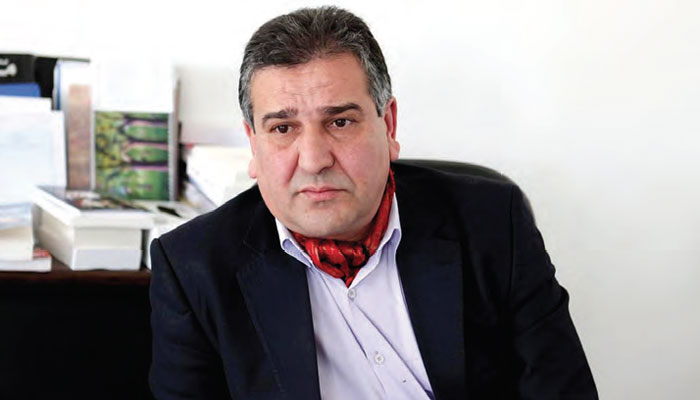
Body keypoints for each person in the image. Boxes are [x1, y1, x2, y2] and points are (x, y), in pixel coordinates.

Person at [149, 6, 597, 400]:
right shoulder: (195, 269)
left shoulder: (493, 224)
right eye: (283, 129)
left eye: (340, 122)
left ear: (389, 124)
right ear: (253, 143)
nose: (314, 160)